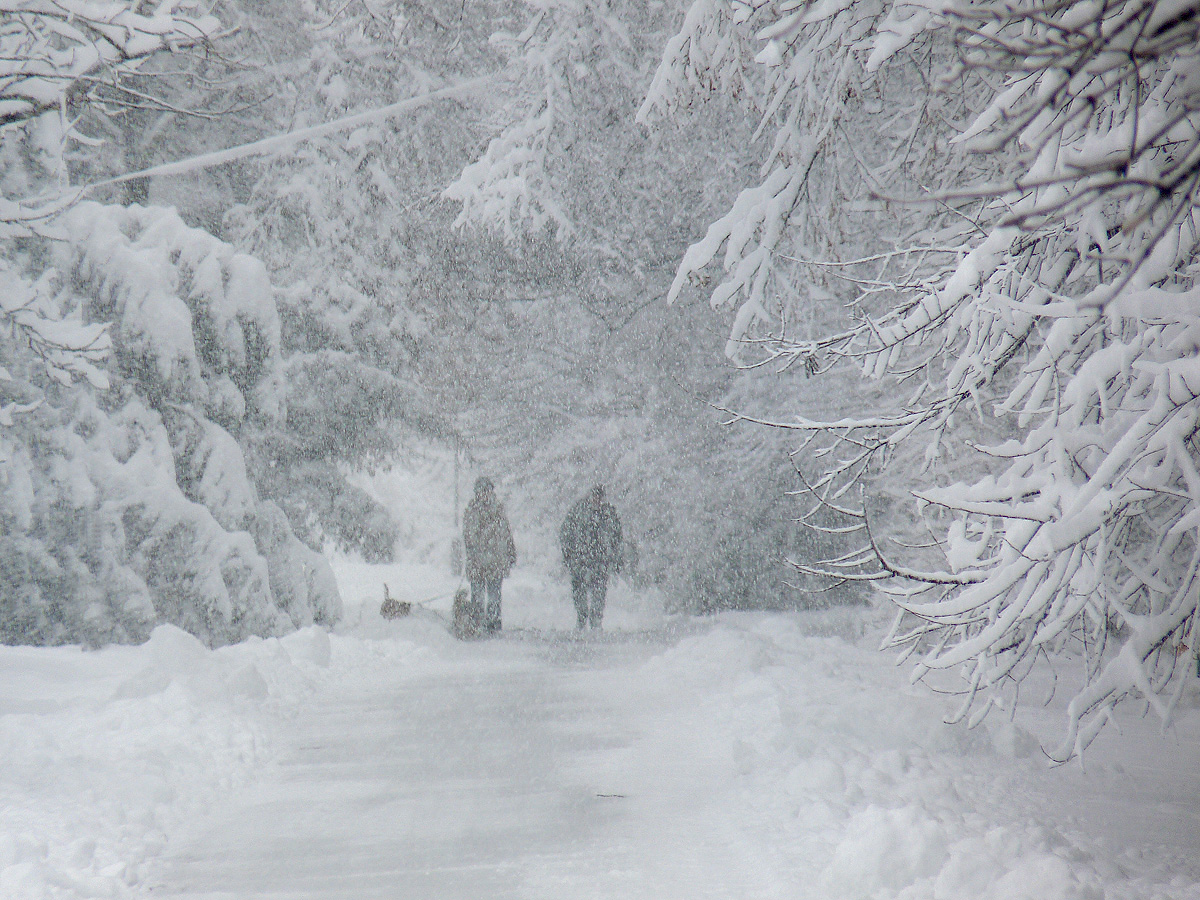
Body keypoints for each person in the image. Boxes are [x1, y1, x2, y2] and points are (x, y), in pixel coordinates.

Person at [560, 484, 623, 630]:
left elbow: (617, 536)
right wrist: (568, 553)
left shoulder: (608, 513)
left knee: (599, 591)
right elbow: (566, 532)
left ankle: (596, 618)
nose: (597, 500)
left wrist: (615, 556)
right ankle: (582, 616)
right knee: (579, 590)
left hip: (599, 559)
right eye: (595, 497)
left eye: (599, 497)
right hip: (581, 559)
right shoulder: (579, 511)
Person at [462, 476, 516, 635]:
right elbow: (469, 536)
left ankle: (493, 622)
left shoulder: (498, 510)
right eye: (481, 491)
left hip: (495, 560)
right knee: (477, 594)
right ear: (476, 493)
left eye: (486, 491)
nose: (484, 494)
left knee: (494, 595)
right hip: (478, 561)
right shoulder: (472, 511)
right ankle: (478, 621)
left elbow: (506, 533)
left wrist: (510, 551)